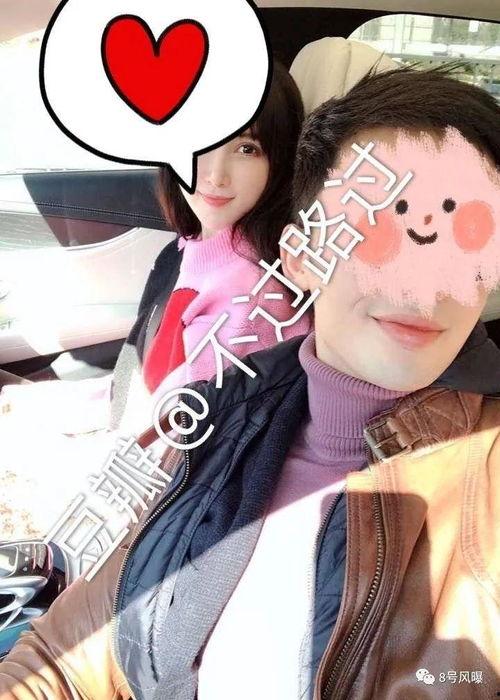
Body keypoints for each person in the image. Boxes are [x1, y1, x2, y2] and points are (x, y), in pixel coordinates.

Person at [1, 66, 500, 700]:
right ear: (301, 256)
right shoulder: (219, 419)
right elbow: (64, 656)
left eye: (468, 238)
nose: (426, 284)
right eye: (379, 227)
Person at [0, 60, 311, 540]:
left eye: (247, 148)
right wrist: (35, 405)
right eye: (203, 141)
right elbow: (151, 390)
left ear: (281, 163)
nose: (215, 175)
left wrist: (49, 469)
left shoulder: (253, 301)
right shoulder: (198, 247)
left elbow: (178, 456)